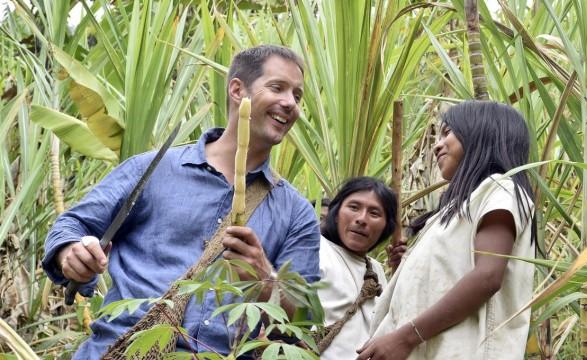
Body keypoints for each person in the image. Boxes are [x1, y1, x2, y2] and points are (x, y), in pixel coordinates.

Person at [42, 45, 320, 359]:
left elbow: (303, 320)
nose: (290, 103)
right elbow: (72, 225)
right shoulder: (152, 169)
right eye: (277, 88)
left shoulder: (297, 214)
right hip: (120, 350)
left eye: (297, 96)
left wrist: (265, 280)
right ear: (236, 89)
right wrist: (71, 253)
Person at [357, 101, 536, 360]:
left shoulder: (500, 190)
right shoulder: (452, 211)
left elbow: (487, 278)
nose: (437, 144)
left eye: (448, 132)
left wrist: (406, 337)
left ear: (481, 134)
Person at [317, 177, 398, 359]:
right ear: (336, 213)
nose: (362, 219)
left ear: (386, 226)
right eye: (354, 207)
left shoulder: (376, 270)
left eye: (374, 213)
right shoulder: (313, 250)